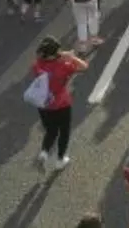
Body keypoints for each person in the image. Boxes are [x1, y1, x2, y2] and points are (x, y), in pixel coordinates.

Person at [31, 36, 88, 171]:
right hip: (61, 104)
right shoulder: (64, 66)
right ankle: (60, 160)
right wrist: (70, 57)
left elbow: (44, 60)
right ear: (53, 54)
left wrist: (59, 55)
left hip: (43, 104)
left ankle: (44, 152)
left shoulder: (37, 64)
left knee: (51, 131)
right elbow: (84, 66)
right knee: (64, 132)